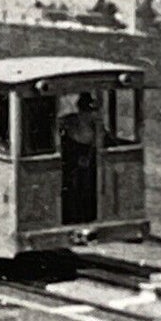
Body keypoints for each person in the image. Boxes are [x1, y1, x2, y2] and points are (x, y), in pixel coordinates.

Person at [59, 92, 103, 224]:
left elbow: (97, 139)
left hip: (85, 154)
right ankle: (79, 215)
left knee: (84, 186)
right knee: (78, 186)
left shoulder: (91, 121)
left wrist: (88, 156)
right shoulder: (73, 120)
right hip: (76, 154)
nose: (88, 113)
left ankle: (82, 215)